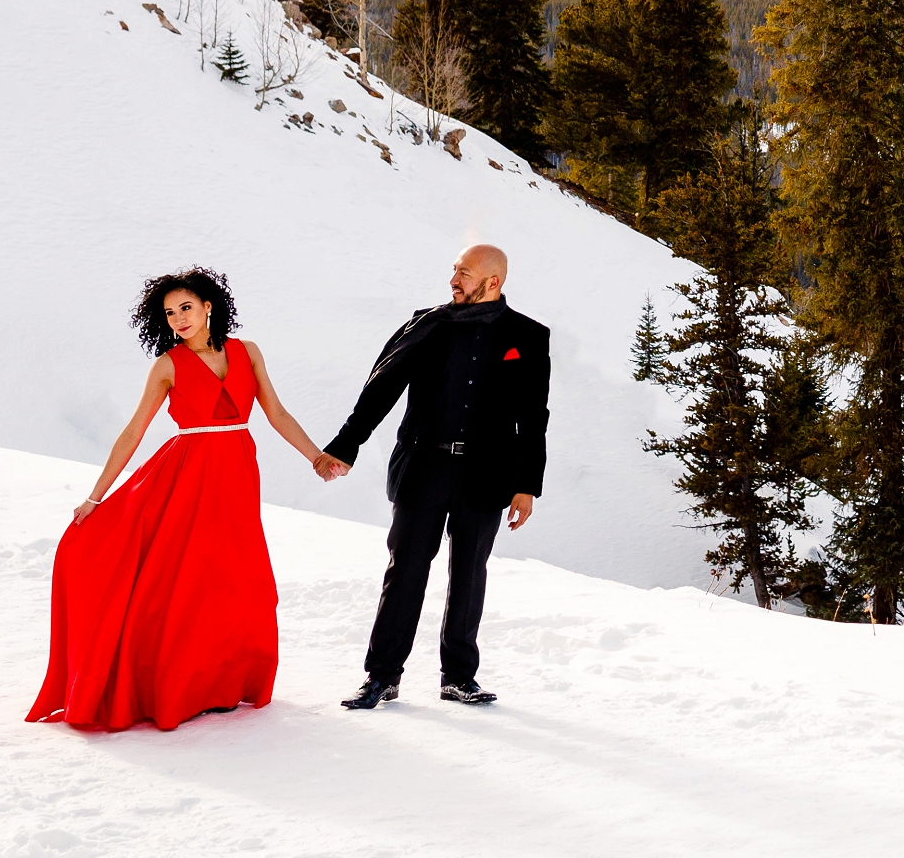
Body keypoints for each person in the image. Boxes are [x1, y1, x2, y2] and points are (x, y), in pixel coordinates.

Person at [30, 267, 344, 733]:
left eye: (186, 308)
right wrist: (97, 496)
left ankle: (222, 684)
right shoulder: (168, 365)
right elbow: (134, 430)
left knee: (235, 580)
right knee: (188, 584)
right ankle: (178, 687)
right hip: (186, 476)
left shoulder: (246, 352)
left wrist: (316, 456)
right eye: (170, 313)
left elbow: (275, 412)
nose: (178, 319)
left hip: (236, 472)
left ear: (209, 306)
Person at [324, 242, 552, 709]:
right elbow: (381, 389)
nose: (454, 279)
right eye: (453, 270)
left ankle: (459, 677)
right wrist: (346, 446)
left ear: (493, 281)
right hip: (423, 467)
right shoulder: (427, 325)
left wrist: (526, 484)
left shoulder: (527, 336)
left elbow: (533, 416)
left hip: (486, 474)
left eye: (464, 273)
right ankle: (382, 677)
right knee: (405, 571)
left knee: (469, 574)